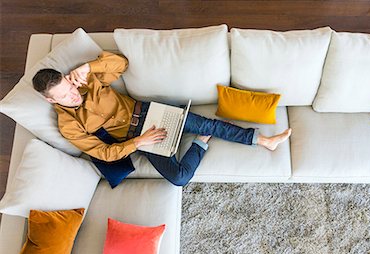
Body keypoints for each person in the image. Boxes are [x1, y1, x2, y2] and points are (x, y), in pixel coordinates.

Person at [32, 51, 292, 186]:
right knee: (179, 178)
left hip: (148, 111)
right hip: (138, 138)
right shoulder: (68, 126)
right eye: (64, 97)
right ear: (50, 100)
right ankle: (200, 144)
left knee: (208, 123)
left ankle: (263, 141)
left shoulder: (86, 80)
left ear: (68, 79)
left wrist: (89, 67)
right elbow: (103, 153)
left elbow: (120, 64)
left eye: (69, 87)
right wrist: (139, 143)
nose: (73, 95)